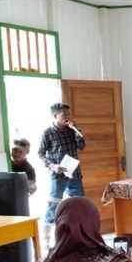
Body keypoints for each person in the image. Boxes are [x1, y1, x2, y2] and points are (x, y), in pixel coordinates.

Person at [38, 103, 86, 247]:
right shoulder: (47, 133)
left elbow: (82, 147)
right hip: (57, 174)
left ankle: (79, 234)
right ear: (55, 116)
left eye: (68, 114)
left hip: (74, 173)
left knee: (79, 203)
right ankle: (47, 239)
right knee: (53, 204)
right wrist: (53, 166)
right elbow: (40, 154)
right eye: (64, 114)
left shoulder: (73, 130)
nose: (67, 117)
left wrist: (77, 131)